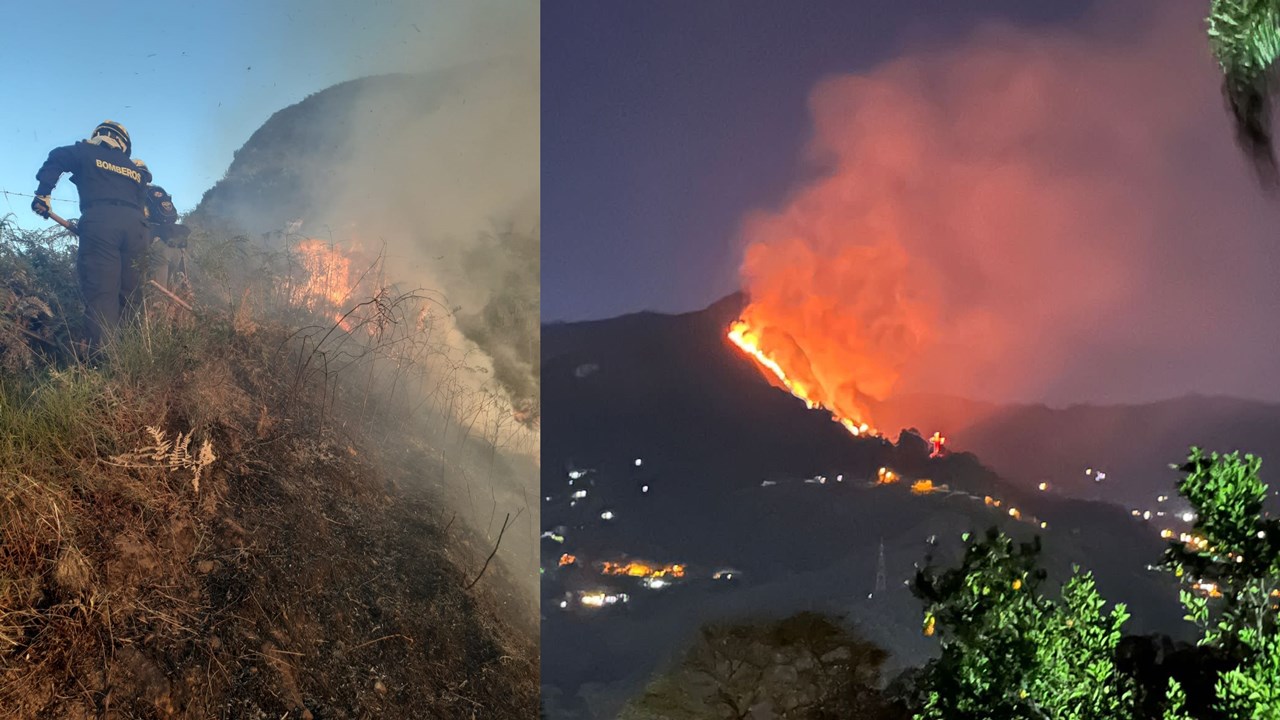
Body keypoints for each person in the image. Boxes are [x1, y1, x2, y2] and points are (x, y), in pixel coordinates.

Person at [32, 120, 148, 353]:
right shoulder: (134, 169)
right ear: (123, 143)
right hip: (137, 228)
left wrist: (43, 194)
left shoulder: (86, 151)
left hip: (101, 222)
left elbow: (57, 157)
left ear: (98, 135)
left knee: (102, 294)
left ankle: (106, 364)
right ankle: (135, 357)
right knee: (132, 295)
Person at [132, 159, 189, 292]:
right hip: (176, 247)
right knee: (177, 293)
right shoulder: (158, 192)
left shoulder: (136, 193)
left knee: (159, 297)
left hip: (156, 248)